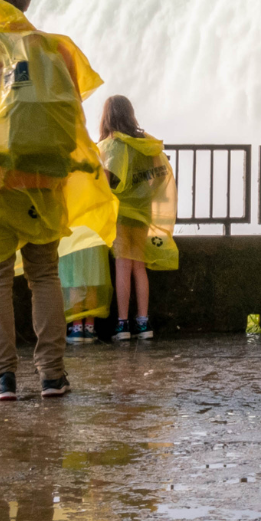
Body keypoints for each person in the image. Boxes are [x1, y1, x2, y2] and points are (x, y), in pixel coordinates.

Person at [0, 0, 116, 401]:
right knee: (44, 275)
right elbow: (72, 117)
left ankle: (1, 377)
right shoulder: (57, 50)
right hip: (45, 178)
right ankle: (53, 376)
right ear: (27, 4)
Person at [95, 94, 179, 341]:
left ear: (107, 117)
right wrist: (143, 195)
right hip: (142, 212)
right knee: (139, 266)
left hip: (120, 214)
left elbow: (105, 185)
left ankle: (122, 324)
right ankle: (143, 322)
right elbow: (159, 178)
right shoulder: (146, 145)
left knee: (123, 265)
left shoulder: (109, 146)